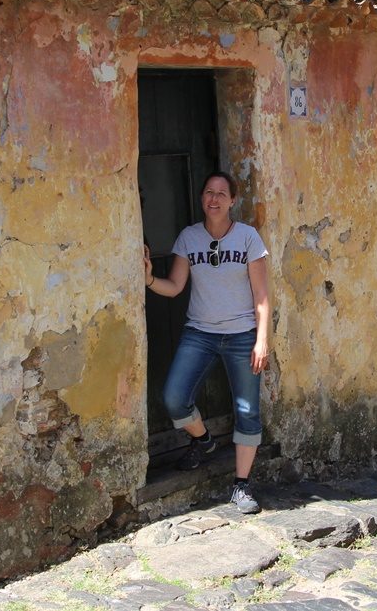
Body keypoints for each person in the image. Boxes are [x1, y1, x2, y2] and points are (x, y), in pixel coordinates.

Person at [143, 171, 271, 514]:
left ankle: (241, 486)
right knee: (173, 398)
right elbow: (175, 287)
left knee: (247, 410)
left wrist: (262, 341)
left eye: (221, 194)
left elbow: (262, 296)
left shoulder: (248, 238)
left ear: (231, 201)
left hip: (242, 334)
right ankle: (203, 440)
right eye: (208, 193)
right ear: (202, 199)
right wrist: (150, 279)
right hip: (199, 332)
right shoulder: (189, 238)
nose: (213, 199)